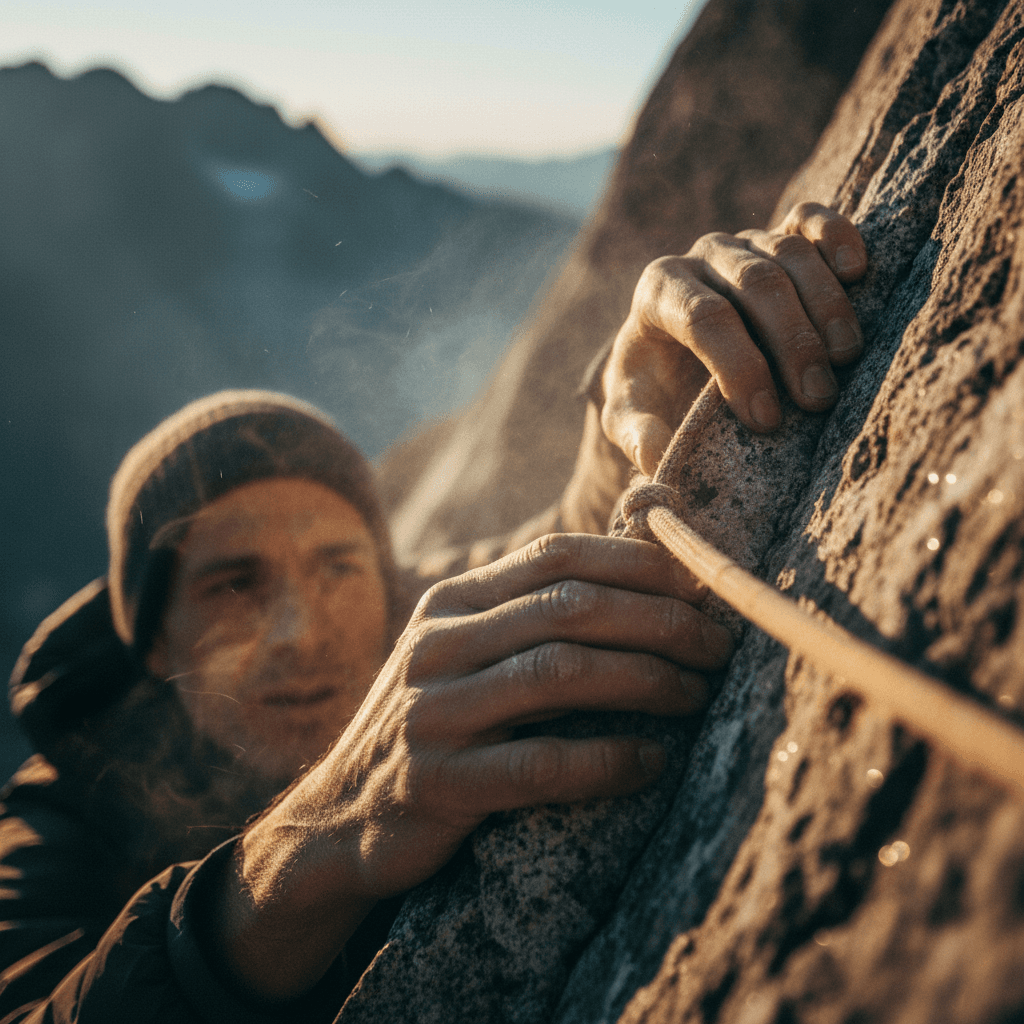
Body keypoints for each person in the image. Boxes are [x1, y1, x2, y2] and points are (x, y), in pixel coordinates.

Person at [0, 203, 867, 1021]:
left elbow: (558, 542)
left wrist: (632, 405)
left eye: (339, 565)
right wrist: (300, 857)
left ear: (386, 580)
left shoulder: (411, 618)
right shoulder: (64, 812)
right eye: (234, 585)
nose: (303, 629)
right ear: (152, 642)